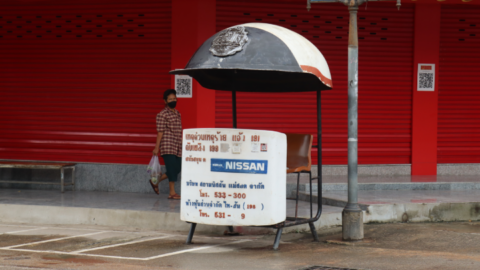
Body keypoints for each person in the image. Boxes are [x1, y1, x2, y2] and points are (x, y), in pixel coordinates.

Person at [150, 89, 182, 199]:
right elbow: (160, 132)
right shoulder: (162, 115)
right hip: (168, 146)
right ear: (165, 101)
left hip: (177, 146)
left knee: (177, 168)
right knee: (172, 169)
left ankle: (155, 181)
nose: (173, 100)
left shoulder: (177, 113)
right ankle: (172, 193)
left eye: (174, 98)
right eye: (170, 99)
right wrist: (156, 148)